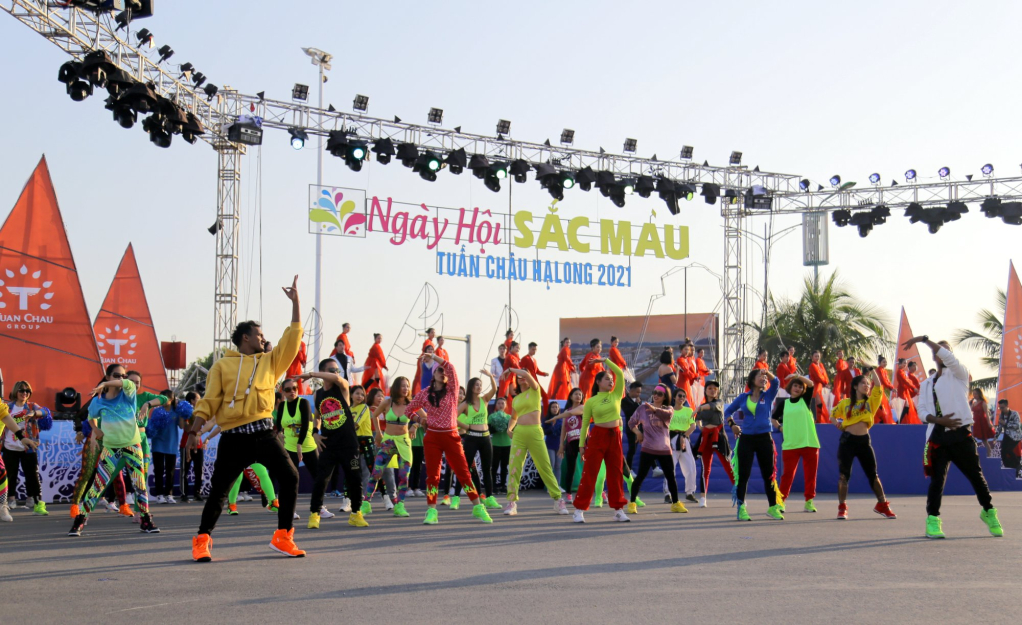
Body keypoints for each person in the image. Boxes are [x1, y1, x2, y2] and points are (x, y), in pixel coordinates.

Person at [184, 276, 305, 561]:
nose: (264, 338)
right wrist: (194, 432)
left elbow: (293, 339)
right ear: (246, 338)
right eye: (259, 335)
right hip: (234, 438)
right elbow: (210, 402)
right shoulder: (222, 366)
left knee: (290, 476)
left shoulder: (270, 362)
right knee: (219, 492)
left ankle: (283, 536)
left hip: (264, 434)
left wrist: (296, 303)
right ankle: (202, 540)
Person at [907, 336, 1003, 539]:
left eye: (946, 350)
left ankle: (988, 511)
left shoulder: (960, 373)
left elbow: (948, 358)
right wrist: (938, 420)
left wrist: (925, 340)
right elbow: (922, 411)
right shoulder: (927, 384)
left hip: (961, 434)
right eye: (939, 350)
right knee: (937, 480)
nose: (942, 353)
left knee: (976, 476)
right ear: (934, 356)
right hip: (938, 437)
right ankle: (932, 520)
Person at [68, 364, 159, 536]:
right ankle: (80, 520)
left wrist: (104, 385)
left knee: (139, 484)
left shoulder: (129, 393)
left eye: (124, 376)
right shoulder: (97, 401)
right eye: (117, 375)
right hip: (110, 449)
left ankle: (146, 520)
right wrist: (96, 430)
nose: (122, 379)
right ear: (108, 376)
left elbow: (128, 384)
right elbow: (91, 417)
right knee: (97, 485)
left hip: (132, 446)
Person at [406, 352, 492, 524]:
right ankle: (432, 511)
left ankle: (478, 507)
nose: (443, 373)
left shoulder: (452, 390)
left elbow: (451, 368)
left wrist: (434, 357)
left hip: (452, 436)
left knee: (463, 473)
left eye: (444, 371)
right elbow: (409, 410)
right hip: (432, 438)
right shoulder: (424, 393)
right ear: (433, 374)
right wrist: (420, 420)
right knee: (433, 476)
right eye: (439, 371)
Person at [300, 359, 367, 529]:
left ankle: (356, 513)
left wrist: (311, 374)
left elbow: (338, 379)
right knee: (321, 479)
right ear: (324, 372)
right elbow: (317, 415)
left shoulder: (343, 387)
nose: (336, 373)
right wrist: (315, 432)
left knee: (354, 479)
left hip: (348, 443)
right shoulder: (318, 394)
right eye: (332, 370)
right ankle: (315, 514)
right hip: (328, 445)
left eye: (337, 370)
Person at [501, 366, 570, 516]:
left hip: (534, 432)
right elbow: (513, 417)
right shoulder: (517, 398)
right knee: (514, 467)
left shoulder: (535, 390)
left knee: (544, 466)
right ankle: (511, 503)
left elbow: (525, 374)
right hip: (519, 433)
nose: (522, 377)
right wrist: (509, 429)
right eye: (519, 376)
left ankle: (558, 500)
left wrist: (512, 369)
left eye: (525, 374)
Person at [830, 367, 896, 520]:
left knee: (873, 475)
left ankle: (882, 504)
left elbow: (879, 386)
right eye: (863, 384)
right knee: (843, 476)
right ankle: (842, 507)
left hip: (864, 442)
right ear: (855, 386)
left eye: (868, 383)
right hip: (847, 442)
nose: (867, 386)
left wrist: (872, 369)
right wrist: (838, 425)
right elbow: (832, 415)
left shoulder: (871, 402)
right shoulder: (846, 402)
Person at [572, 358, 629, 523]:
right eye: (607, 379)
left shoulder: (617, 394)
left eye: (611, 380)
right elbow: (584, 425)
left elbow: (619, 372)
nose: (611, 381)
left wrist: (605, 360)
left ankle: (618, 510)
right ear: (598, 382)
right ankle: (579, 510)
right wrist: (582, 444)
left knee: (616, 473)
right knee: (590, 473)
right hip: (597, 436)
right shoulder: (591, 401)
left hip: (615, 436)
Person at [724, 368, 784, 521]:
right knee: (743, 475)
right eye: (760, 376)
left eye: (765, 377)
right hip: (747, 439)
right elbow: (727, 412)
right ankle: (741, 508)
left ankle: (772, 507)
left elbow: (776, 382)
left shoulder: (768, 395)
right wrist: (733, 425)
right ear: (752, 380)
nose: (764, 379)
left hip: (765, 438)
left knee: (769, 474)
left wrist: (767, 372)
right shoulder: (743, 397)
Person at [360, 377, 415, 519]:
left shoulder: (411, 404)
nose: (406, 389)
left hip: (404, 443)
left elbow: (425, 418)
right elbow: (375, 415)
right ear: (396, 387)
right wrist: (378, 433)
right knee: (376, 472)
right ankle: (366, 504)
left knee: (403, 476)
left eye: (407, 386)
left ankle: (400, 505)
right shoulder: (387, 402)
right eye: (403, 386)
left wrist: (414, 426)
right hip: (388, 442)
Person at [627, 385, 687, 514]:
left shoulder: (669, 409)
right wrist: (638, 432)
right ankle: (632, 503)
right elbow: (631, 422)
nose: (656, 395)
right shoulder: (643, 408)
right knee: (640, 477)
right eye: (654, 392)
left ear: (665, 397)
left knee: (671, 477)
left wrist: (653, 408)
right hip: (648, 448)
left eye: (659, 394)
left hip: (664, 449)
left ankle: (675, 503)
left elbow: (665, 414)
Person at [772, 375, 820, 513]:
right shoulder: (784, 404)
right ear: (790, 387)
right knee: (787, 475)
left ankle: (809, 502)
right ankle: (781, 502)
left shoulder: (805, 400)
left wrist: (797, 376)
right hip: (790, 444)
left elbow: (811, 384)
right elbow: (774, 419)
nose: (798, 388)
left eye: (800, 387)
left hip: (809, 443)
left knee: (811, 475)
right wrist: (780, 428)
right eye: (795, 385)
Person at [2, 381, 49, 516]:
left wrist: (34, 413)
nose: (24, 393)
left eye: (27, 391)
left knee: (32, 475)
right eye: (22, 390)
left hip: (28, 447)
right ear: (15, 391)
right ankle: (10, 500)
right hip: (9, 446)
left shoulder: (32, 406)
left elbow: (46, 412)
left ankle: (35, 502)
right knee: (9, 475)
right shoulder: (8, 407)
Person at [456, 371, 501, 509]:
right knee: (465, 469)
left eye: (480, 385)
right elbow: (453, 417)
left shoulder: (485, 399)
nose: (479, 387)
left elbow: (494, 389)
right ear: (471, 387)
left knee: (487, 469)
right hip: (471, 438)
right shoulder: (465, 404)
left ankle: (489, 497)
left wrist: (490, 376)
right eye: (476, 385)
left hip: (485, 437)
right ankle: (456, 498)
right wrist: (466, 426)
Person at [694, 380, 733, 507]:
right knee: (705, 469)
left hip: (719, 436)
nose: (712, 390)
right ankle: (703, 497)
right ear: (705, 391)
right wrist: (701, 427)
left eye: (715, 388)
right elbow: (698, 420)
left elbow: (710, 407)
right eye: (710, 388)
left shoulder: (719, 403)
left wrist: (699, 408)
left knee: (728, 466)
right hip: (706, 437)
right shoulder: (703, 406)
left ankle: (739, 493)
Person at [0, 399, 40, 522]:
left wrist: (22, 438)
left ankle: (2, 506)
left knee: (1, 473)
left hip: (19, 448)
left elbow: (7, 419)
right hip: (9, 448)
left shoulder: (2, 406)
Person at [147, 389, 182, 505]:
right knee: (159, 470)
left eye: (165, 398)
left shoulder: (176, 411)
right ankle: (159, 495)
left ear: (171, 399)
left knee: (170, 471)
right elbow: (152, 426)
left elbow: (182, 426)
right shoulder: (157, 411)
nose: (162, 400)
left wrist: (183, 414)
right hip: (158, 444)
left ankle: (169, 494)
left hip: (171, 444)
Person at [552, 388, 585, 502]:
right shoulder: (567, 411)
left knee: (590, 468)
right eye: (576, 394)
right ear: (571, 396)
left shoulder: (583, 408)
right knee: (570, 469)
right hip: (571, 442)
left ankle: (597, 492)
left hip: (584, 442)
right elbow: (563, 430)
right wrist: (561, 445)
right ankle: (569, 494)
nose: (578, 396)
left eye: (580, 395)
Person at [665, 390, 698, 504]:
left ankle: (690, 492)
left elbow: (693, 426)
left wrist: (684, 436)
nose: (682, 398)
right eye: (680, 396)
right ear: (674, 397)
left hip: (684, 439)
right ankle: (667, 493)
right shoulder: (669, 410)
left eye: (684, 396)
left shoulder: (689, 411)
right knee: (669, 467)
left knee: (690, 467)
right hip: (671, 438)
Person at [178, 391, 204, 502]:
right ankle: (184, 494)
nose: (200, 400)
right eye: (198, 398)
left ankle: (197, 493)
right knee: (185, 471)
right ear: (192, 401)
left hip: (199, 445)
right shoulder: (185, 412)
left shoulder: (200, 412)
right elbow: (185, 428)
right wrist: (184, 417)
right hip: (186, 445)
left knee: (199, 471)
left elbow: (207, 426)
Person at [488, 397, 512, 494]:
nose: (501, 405)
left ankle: (503, 485)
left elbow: (512, 429)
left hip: (507, 444)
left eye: (502, 403)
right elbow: (488, 429)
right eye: (499, 403)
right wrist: (495, 427)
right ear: (496, 405)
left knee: (504, 466)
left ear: (505, 405)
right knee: (494, 466)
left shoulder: (509, 417)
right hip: (495, 444)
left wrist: (505, 426)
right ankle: (493, 486)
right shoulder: (491, 417)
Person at [620, 381, 642, 472]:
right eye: (637, 392)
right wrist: (637, 404)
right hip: (631, 429)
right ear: (631, 391)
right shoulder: (624, 401)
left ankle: (655, 467)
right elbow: (629, 412)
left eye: (640, 392)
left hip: (640, 427)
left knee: (645, 447)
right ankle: (628, 469)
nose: (638, 394)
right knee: (632, 449)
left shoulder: (638, 401)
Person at [995, 399, 1021, 472]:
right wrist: (995, 437)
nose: (1001, 409)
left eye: (1002, 407)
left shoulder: (1014, 414)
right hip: (1007, 435)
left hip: (1015, 436)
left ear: (1007, 406)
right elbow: (1000, 427)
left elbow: (1017, 426)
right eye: (1000, 408)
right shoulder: (1001, 415)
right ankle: (1007, 466)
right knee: (1003, 452)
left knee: (1009, 450)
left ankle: (1018, 464)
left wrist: (1005, 424)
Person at [970, 389, 996, 455]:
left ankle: (989, 452)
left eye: (976, 394)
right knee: (979, 438)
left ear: (979, 394)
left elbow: (987, 414)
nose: (974, 395)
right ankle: (986, 452)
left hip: (982, 421)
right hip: (976, 422)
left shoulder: (983, 403)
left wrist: (989, 423)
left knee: (984, 439)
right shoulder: (973, 403)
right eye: (974, 394)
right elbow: (970, 411)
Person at [896, 359, 922, 425]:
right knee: (907, 406)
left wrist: (913, 388)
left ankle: (901, 421)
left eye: (905, 363)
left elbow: (907, 381)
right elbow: (906, 381)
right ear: (900, 364)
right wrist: (914, 388)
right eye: (904, 363)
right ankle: (899, 421)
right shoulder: (900, 372)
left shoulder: (902, 371)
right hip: (902, 391)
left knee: (907, 407)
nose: (905, 365)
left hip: (905, 390)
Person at [807, 350, 830, 423]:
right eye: (815, 356)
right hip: (815, 386)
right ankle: (816, 419)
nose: (817, 358)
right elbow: (817, 377)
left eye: (818, 356)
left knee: (821, 403)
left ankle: (820, 419)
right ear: (812, 357)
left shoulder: (821, 365)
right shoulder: (812, 365)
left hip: (821, 386)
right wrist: (824, 383)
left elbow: (825, 375)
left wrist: (826, 382)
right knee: (817, 402)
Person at [674, 344, 698, 410]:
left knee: (689, 398)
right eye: (685, 349)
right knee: (685, 398)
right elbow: (687, 372)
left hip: (686, 381)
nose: (687, 351)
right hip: (683, 382)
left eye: (688, 350)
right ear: (681, 350)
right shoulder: (680, 360)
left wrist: (694, 376)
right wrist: (695, 376)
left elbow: (690, 372)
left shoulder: (687, 359)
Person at [874, 356, 896, 425]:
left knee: (883, 406)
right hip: (876, 390)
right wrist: (891, 388)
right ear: (879, 363)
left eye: (885, 362)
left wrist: (891, 387)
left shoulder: (884, 370)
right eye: (883, 362)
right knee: (879, 406)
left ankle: (882, 420)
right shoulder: (878, 370)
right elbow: (883, 380)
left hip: (881, 390)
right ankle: (879, 421)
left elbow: (887, 380)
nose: (885, 363)